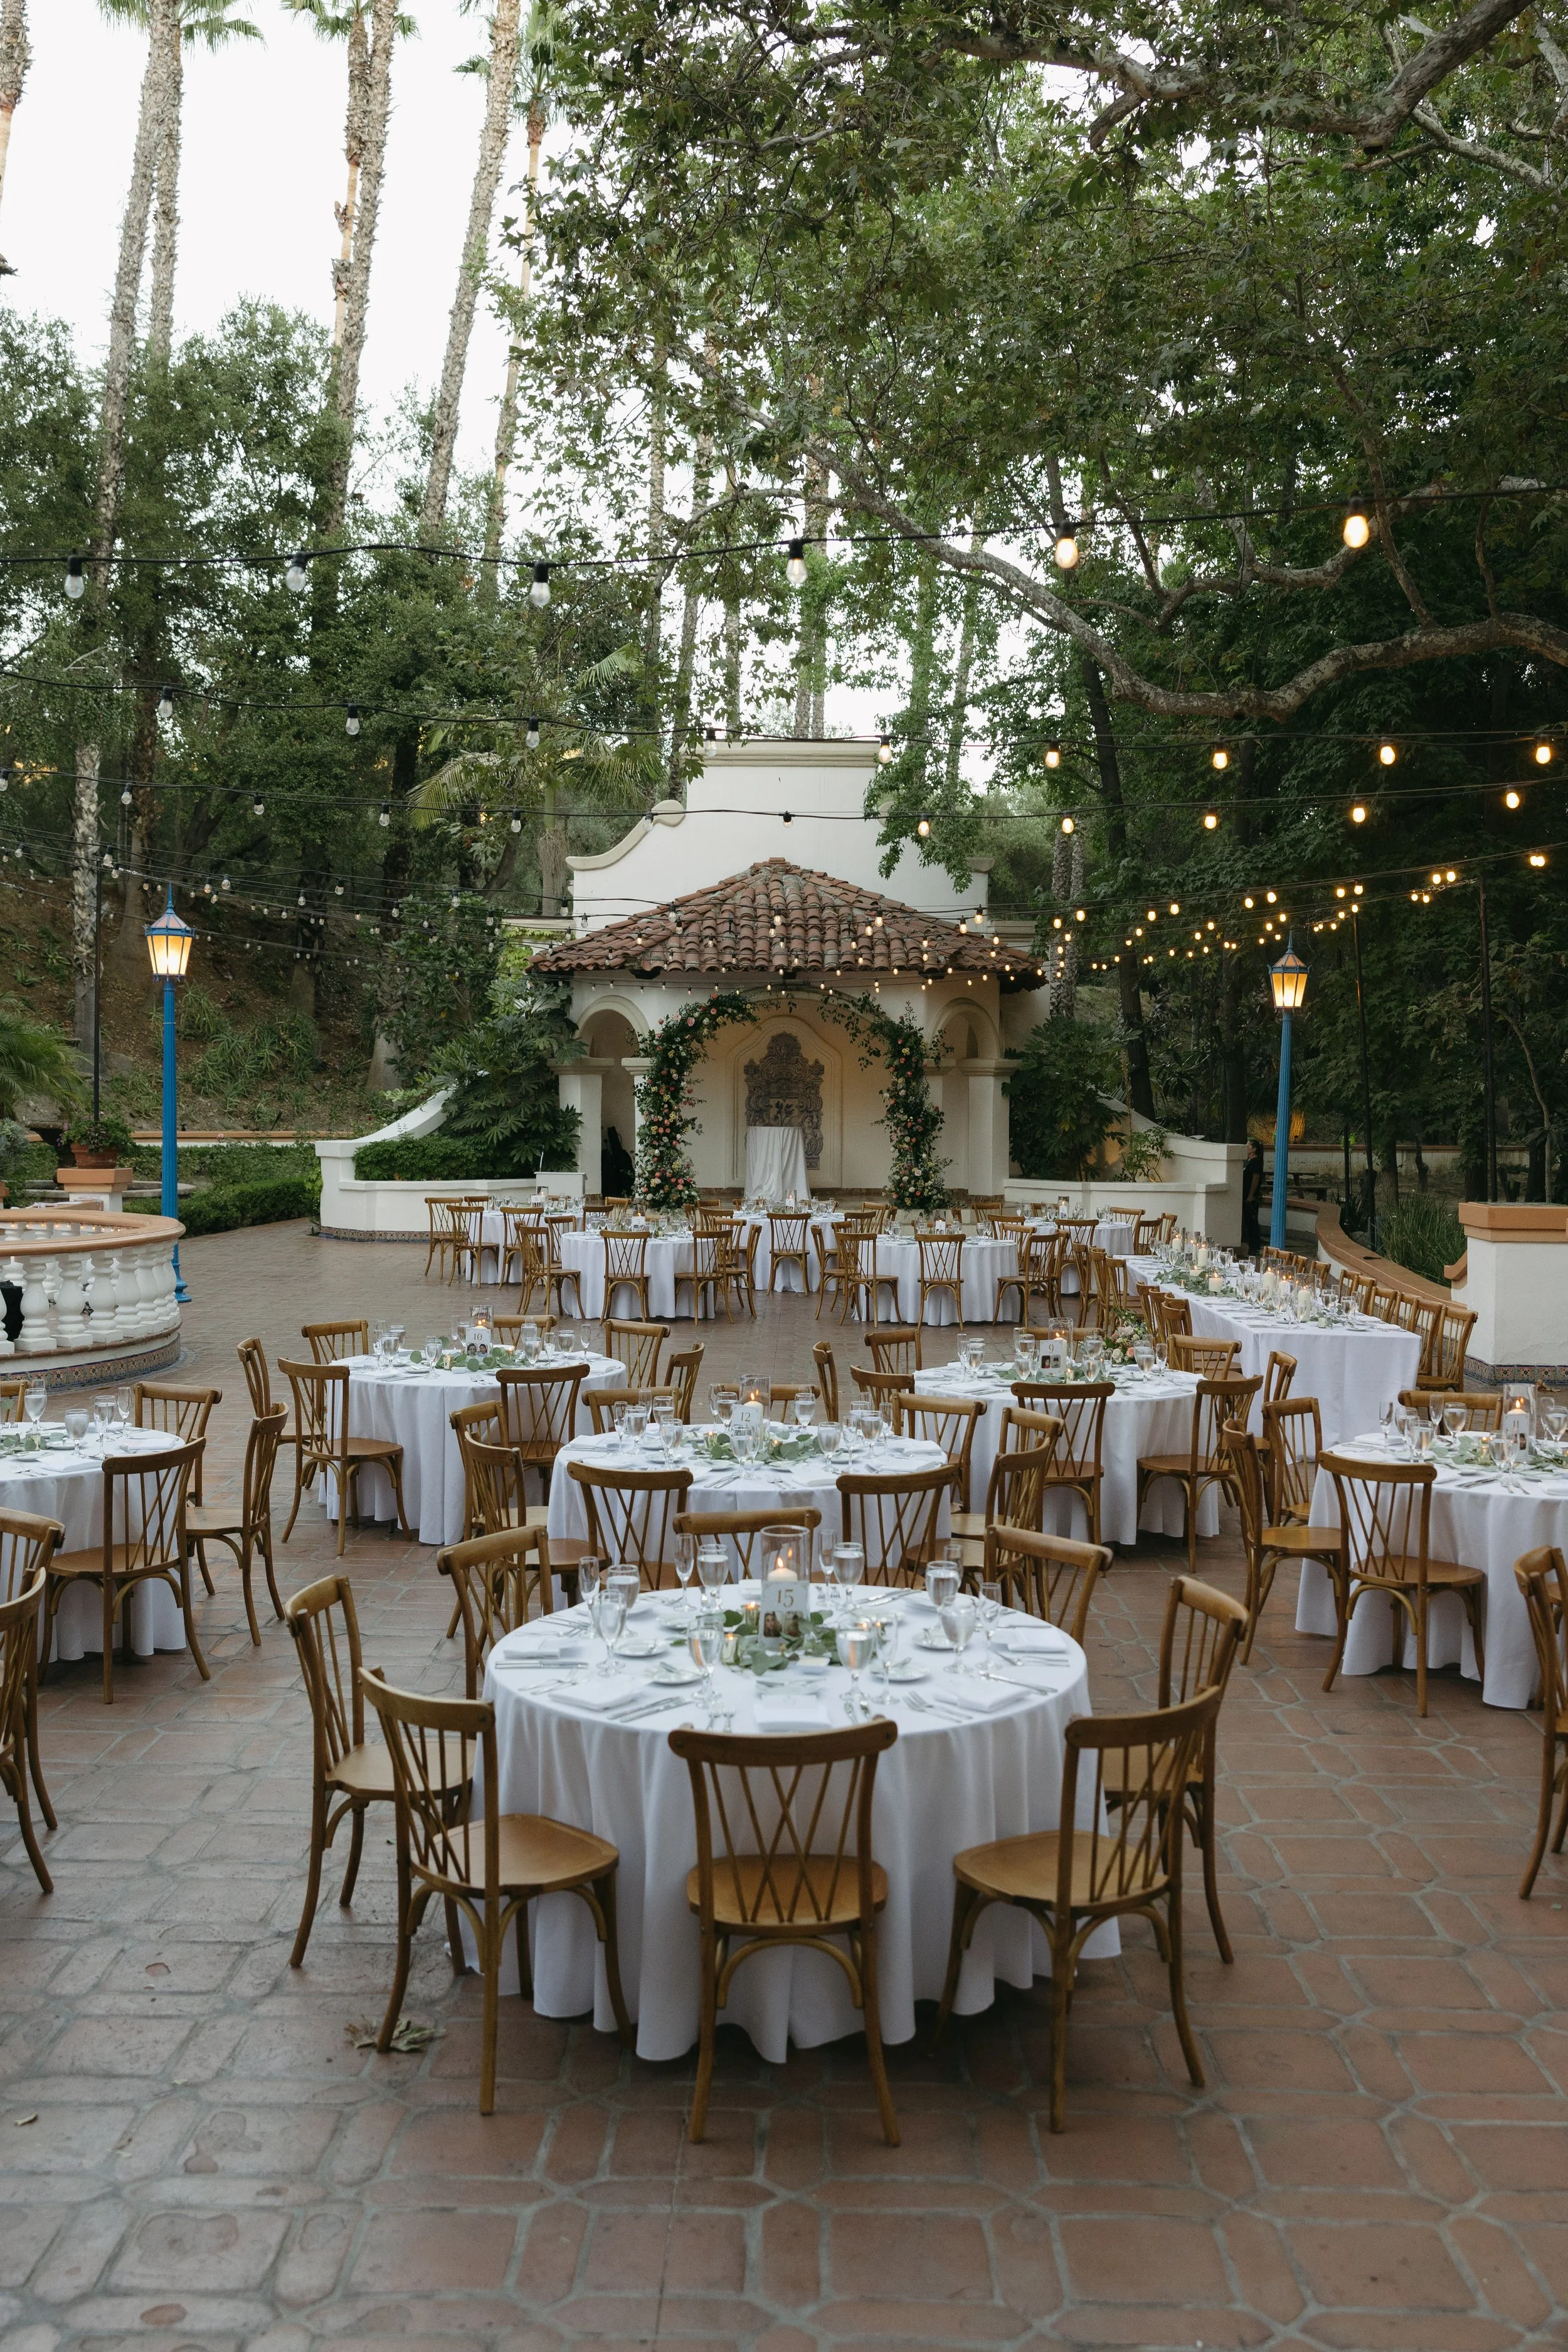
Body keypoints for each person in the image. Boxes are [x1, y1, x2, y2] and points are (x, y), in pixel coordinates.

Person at [1241, 1138, 1264, 1257]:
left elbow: (1255, 1179)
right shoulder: (1248, 1161)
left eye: (1248, 1146)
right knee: (1248, 1220)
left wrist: (1251, 1195)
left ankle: (1255, 1246)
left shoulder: (1256, 1162)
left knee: (1252, 1220)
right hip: (1245, 1194)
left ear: (1254, 1149)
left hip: (1251, 1196)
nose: (1247, 1147)